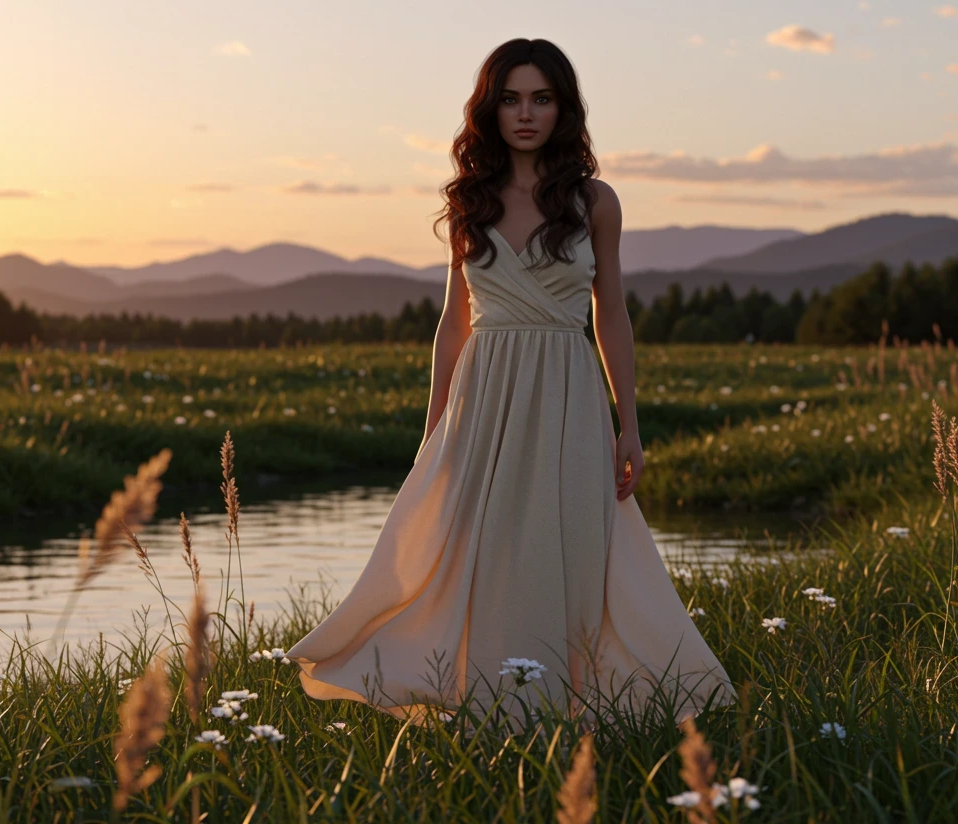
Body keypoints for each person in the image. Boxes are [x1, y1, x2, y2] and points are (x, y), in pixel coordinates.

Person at [284, 38, 735, 732]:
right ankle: (491, 714)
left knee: (576, 551)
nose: (526, 114)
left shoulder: (596, 202)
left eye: (542, 98)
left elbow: (610, 315)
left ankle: (576, 708)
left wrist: (630, 425)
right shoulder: (469, 201)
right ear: (490, 110)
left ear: (564, 107)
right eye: (512, 98)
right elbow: (452, 323)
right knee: (482, 553)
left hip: (568, 393)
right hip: (484, 399)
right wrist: (432, 433)